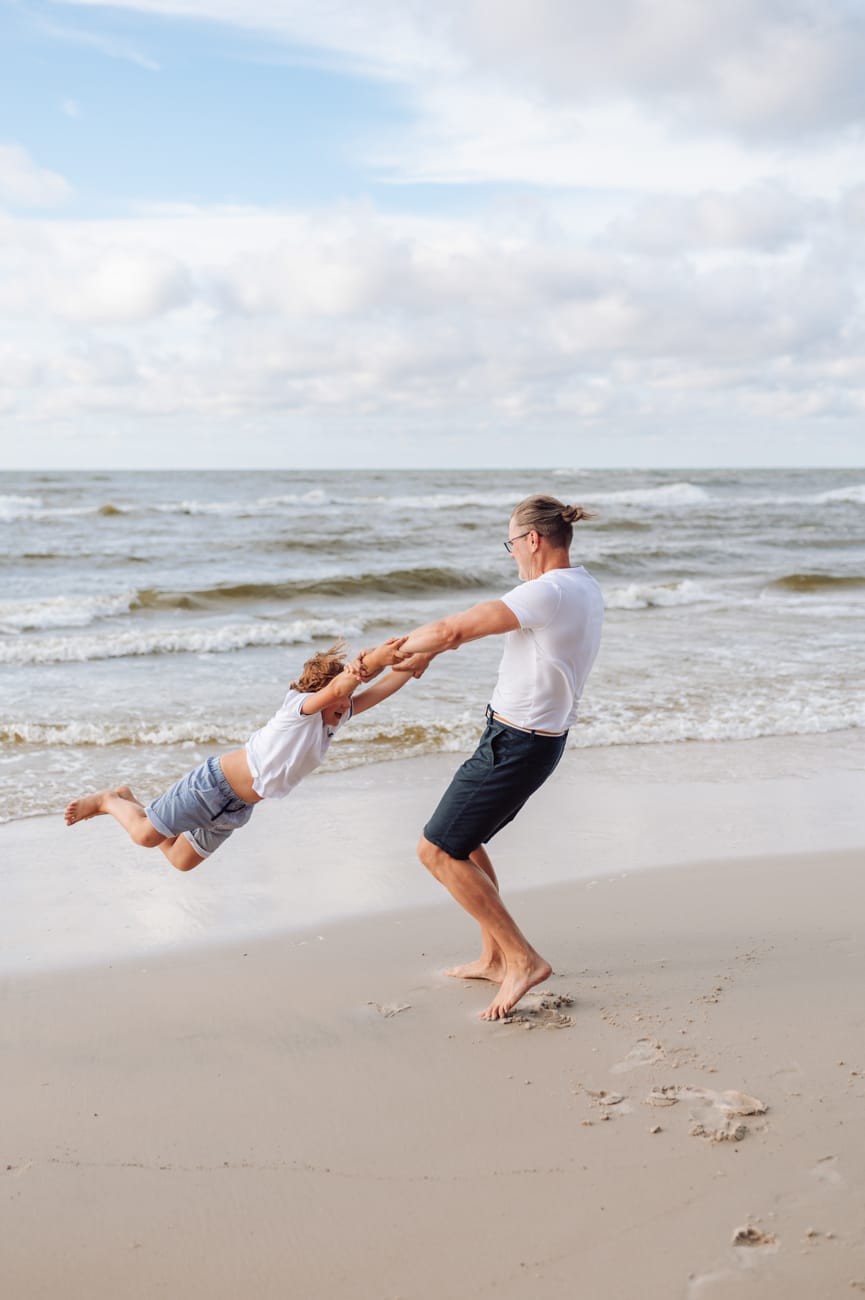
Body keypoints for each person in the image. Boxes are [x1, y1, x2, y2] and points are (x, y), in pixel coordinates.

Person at [387, 494, 603, 1021]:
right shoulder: (582, 586)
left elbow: (456, 628)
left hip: (517, 744)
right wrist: (430, 650)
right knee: (465, 842)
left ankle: (523, 959)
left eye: (511, 544)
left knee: (437, 851)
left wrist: (388, 654)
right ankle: (493, 958)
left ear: (533, 539)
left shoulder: (546, 590)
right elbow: (467, 634)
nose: (512, 555)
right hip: (528, 740)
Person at [64, 637, 413, 871]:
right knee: (145, 836)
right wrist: (366, 666)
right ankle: (109, 800)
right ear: (319, 695)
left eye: (347, 703)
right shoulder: (299, 709)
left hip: (238, 807)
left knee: (181, 860)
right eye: (339, 701)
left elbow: (378, 691)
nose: (346, 707)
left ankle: (134, 803)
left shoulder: (331, 719)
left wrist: (411, 666)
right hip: (212, 786)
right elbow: (340, 688)